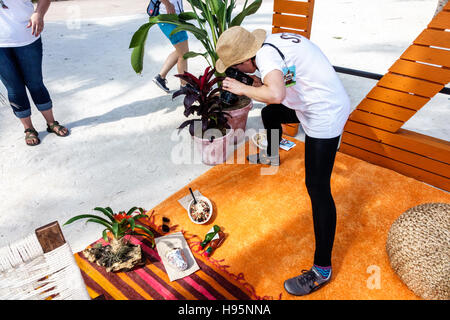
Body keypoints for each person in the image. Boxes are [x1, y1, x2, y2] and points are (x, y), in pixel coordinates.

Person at [216, 26, 351, 296]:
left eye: (237, 67)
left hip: (324, 112)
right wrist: (255, 85)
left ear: (245, 59)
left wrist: (241, 87)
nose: (240, 72)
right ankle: (272, 155)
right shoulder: (271, 45)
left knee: (317, 187)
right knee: (271, 115)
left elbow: (276, 93)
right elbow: (284, 82)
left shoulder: (266, 57)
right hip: (307, 103)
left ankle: (322, 270)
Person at [0, 0, 69, 146]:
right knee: (14, 88)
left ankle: (51, 123)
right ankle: (28, 128)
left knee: (36, 83)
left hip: (27, 35)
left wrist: (39, 13)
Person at [152, 0, 189, 93]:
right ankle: (184, 85)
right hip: (167, 17)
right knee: (184, 53)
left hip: (174, 17)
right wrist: (167, 4)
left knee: (181, 50)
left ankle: (160, 77)